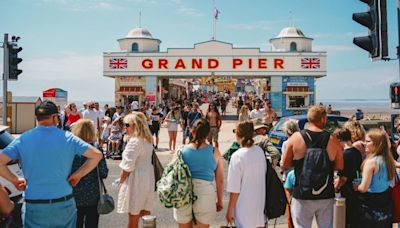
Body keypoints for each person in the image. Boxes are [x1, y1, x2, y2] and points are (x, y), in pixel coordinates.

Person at [0, 100, 102, 228]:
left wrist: (14, 179)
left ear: (37, 118)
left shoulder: (23, 139)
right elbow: (96, 155)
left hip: (34, 203)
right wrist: (78, 174)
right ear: (55, 117)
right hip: (62, 202)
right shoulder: (68, 138)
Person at [281, 105, 343, 228]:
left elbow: (285, 164)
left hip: (302, 193)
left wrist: (301, 164)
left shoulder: (296, 138)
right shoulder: (332, 140)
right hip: (326, 194)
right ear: (323, 119)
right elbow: (340, 166)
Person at [174, 118, 224, 228]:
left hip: (183, 193)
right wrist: (219, 200)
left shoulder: (180, 150)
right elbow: (219, 180)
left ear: (192, 131)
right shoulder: (214, 151)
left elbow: (173, 174)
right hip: (205, 194)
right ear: (208, 133)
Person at [117, 112, 155, 228]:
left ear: (135, 125)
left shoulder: (134, 142)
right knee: (145, 212)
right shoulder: (147, 140)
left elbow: (127, 167)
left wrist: (121, 180)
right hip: (147, 177)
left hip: (136, 179)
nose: (125, 127)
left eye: (127, 125)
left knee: (133, 215)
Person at [226, 121, 266, 227]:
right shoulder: (259, 152)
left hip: (243, 210)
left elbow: (234, 189)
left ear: (238, 134)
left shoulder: (237, 156)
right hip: (258, 208)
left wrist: (230, 209)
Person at [70, 119, 109, 228]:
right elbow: (103, 172)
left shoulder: (71, 148)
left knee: (75, 223)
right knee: (91, 223)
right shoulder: (96, 148)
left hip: (74, 192)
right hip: (92, 193)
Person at [353, 128, 395, 227]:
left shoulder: (371, 163)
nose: (364, 143)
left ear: (376, 144)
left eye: (368, 141)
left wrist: (356, 187)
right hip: (386, 200)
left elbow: (363, 188)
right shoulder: (388, 159)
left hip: (371, 204)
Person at [332, 127, 362, 228]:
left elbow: (343, 179)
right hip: (356, 191)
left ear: (339, 139)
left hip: (347, 192)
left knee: (345, 221)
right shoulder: (356, 152)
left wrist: (335, 187)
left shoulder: (344, 155)